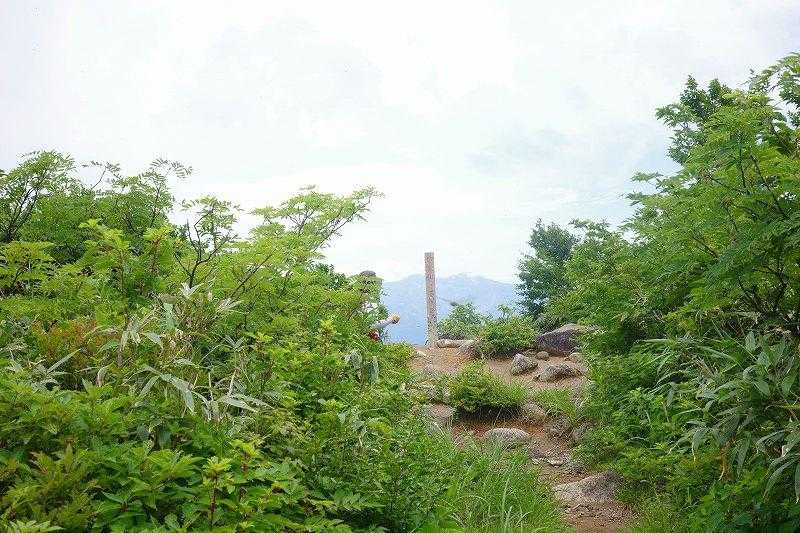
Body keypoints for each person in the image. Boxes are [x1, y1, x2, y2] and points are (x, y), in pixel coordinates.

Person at [356, 270, 400, 341]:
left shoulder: (355, 297)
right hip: (363, 340)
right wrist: (391, 319)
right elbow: (371, 325)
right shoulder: (369, 300)